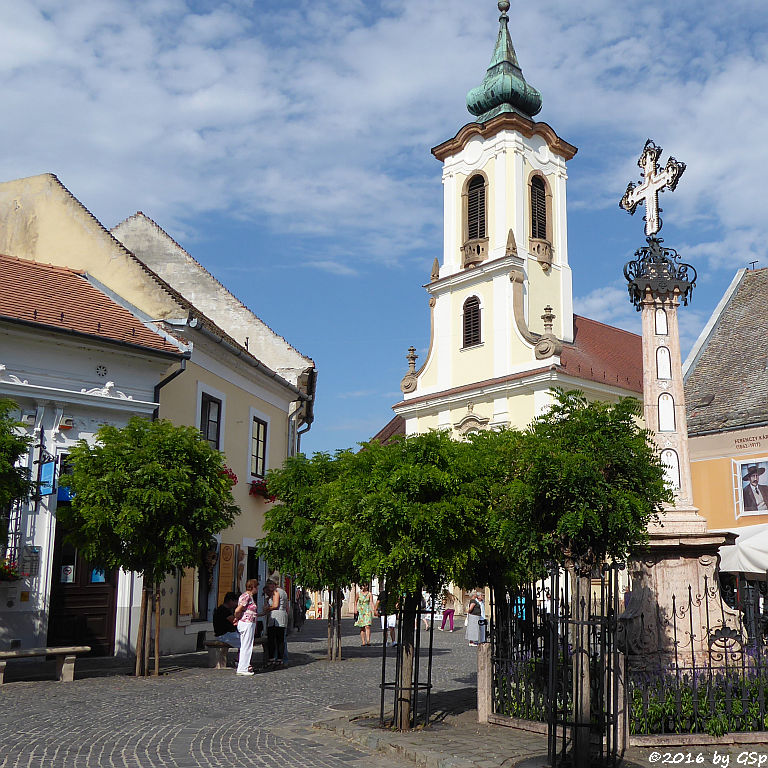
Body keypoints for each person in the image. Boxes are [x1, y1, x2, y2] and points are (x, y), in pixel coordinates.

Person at [234, 578, 260, 675]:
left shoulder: (246, 596)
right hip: (247, 622)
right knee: (246, 646)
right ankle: (243, 668)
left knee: (245, 645)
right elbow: (238, 609)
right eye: (256, 586)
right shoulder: (247, 596)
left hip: (247, 622)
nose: (257, 589)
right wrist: (236, 617)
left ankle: (243, 666)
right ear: (253, 587)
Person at [262, 579, 289, 665]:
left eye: (270, 584)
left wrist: (267, 608)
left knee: (273, 639)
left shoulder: (276, 592)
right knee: (280, 639)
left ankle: (273, 659)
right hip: (282, 616)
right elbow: (286, 607)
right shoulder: (283, 592)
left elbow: (275, 605)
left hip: (276, 617)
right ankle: (280, 659)